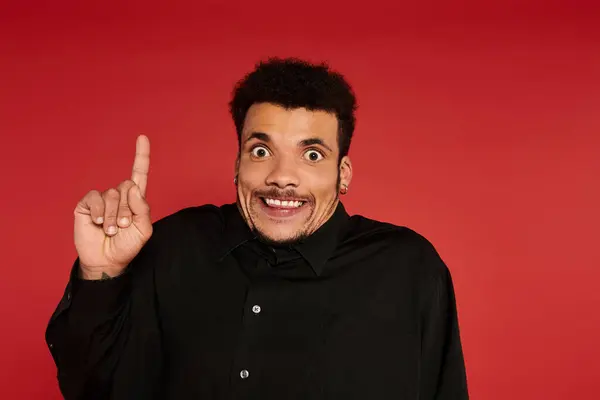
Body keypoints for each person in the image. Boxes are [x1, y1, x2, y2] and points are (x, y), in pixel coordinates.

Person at [46, 57, 469, 399]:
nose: (282, 177)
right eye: (261, 150)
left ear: (344, 174)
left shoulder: (408, 270)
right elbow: (89, 386)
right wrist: (101, 273)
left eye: (312, 155)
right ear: (237, 165)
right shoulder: (172, 247)